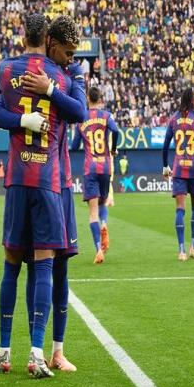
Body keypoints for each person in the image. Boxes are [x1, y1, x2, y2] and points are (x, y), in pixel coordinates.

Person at [0, 13, 84, 378]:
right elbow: (78, 111)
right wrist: (51, 91)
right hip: (49, 181)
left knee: (11, 264)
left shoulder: (6, 69)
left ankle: (3, 351)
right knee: (45, 265)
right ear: (48, 41)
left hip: (16, 178)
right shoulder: (62, 78)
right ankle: (38, 354)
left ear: (23, 35)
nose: (71, 58)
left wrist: (20, 120)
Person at [162, 87, 194, 261]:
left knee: (180, 209)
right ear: (192, 100)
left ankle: (181, 250)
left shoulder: (173, 119)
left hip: (178, 169)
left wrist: (165, 166)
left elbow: (165, 145)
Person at [71, 87, 119, 264]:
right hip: (105, 167)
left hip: (90, 168)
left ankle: (98, 249)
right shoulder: (106, 115)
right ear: (100, 99)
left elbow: (74, 146)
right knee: (103, 203)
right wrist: (113, 149)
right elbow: (116, 131)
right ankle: (104, 223)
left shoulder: (81, 119)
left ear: (87, 100)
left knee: (92, 212)